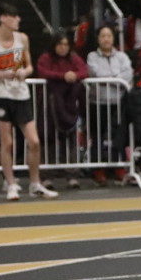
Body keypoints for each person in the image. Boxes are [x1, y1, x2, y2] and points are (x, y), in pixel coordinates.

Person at [0, 3, 58, 201]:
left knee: (34, 141)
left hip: (21, 95)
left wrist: (24, 72)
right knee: (7, 142)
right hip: (2, 95)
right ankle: (11, 184)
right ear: (3, 18)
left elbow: (30, 66)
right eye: (14, 16)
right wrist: (1, 74)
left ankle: (35, 183)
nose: (18, 20)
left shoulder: (22, 39)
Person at [36, 33, 87, 189]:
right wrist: (63, 76)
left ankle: (72, 174)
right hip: (49, 104)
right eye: (60, 44)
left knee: (70, 139)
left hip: (69, 105)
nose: (63, 48)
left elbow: (84, 71)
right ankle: (46, 176)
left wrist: (74, 75)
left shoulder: (74, 58)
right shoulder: (45, 58)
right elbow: (43, 72)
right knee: (48, 139)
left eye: (66, 44)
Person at [86, 25, 133, 186]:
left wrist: (111, 80)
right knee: (97, 136)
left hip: (118, 102)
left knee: (119, 136)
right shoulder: (92, 56)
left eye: (109, 36)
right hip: (98, 102)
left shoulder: (122, 56)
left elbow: (127, 75)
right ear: (98, 39)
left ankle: (119, 167)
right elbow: (96, 74)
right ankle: (98, 170)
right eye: (103, 36)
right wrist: (116, 79)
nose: (106, 39)